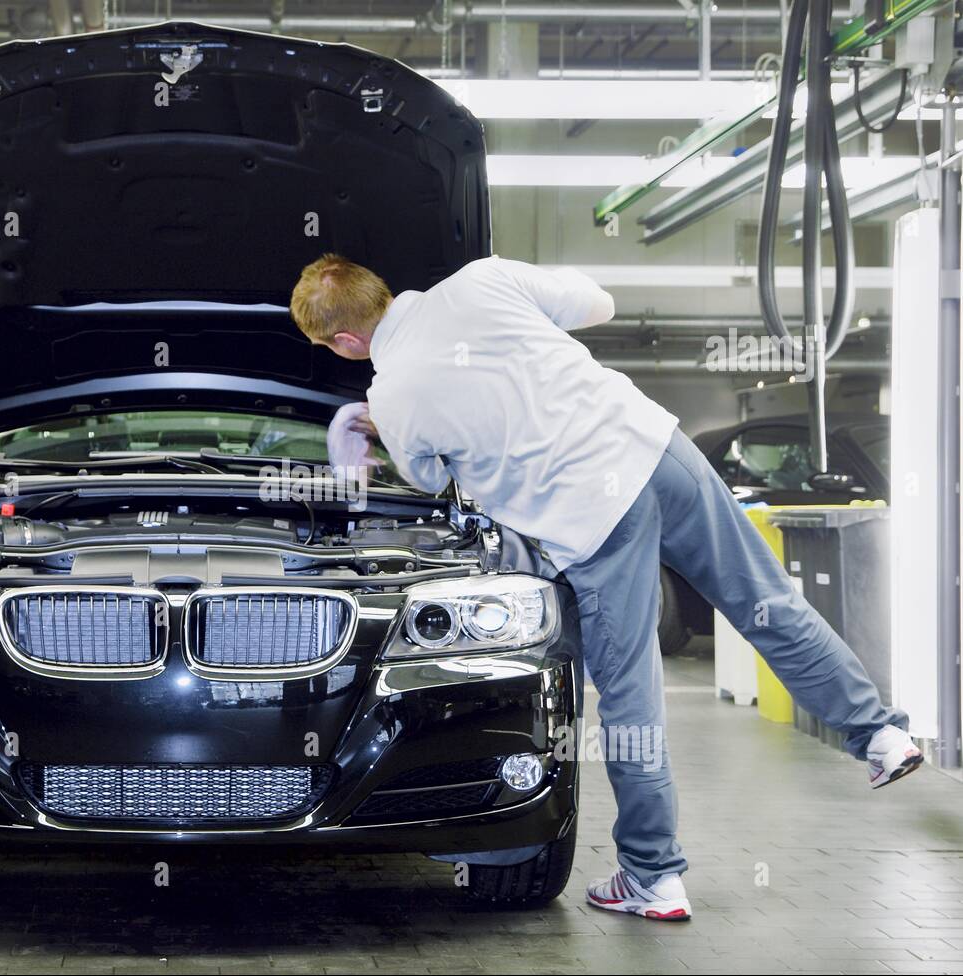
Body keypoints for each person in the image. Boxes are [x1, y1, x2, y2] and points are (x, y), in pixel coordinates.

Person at [288, 252, 921, 921]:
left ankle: (654, 875)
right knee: (766, 602)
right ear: (379, 288)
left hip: (593, 519)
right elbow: (598, 304)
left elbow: (424, 478)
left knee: (631, 697)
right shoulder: (482, 278)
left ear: (346, 341)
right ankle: (878, 734)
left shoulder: (391, 395)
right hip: (653, 447)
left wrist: (368, 425)